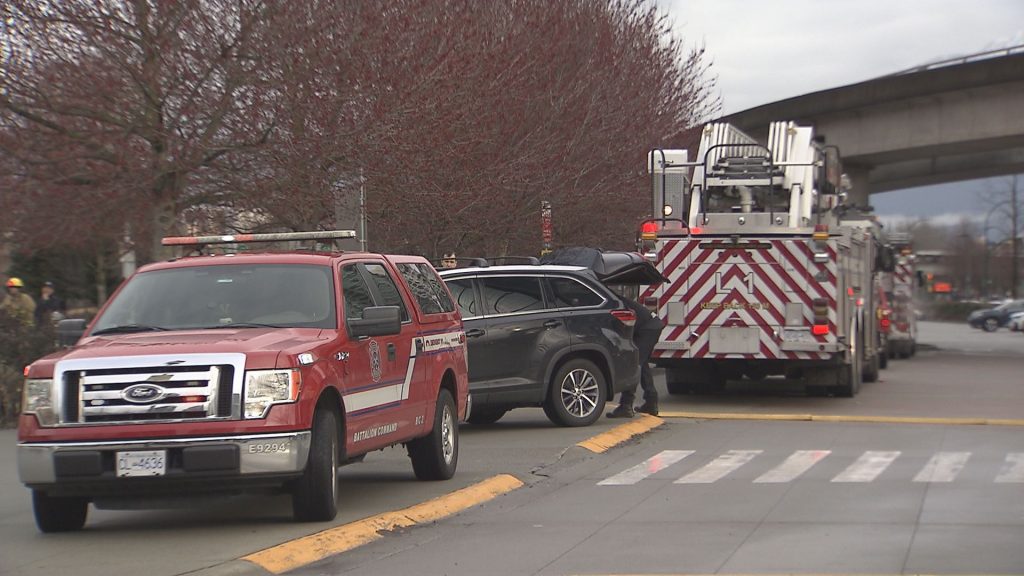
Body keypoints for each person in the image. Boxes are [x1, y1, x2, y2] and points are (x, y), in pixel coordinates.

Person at [607, 295, 664, 418]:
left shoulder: (611, 301)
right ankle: (650, 402)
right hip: (650, 326)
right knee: (642, 364)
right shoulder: (612, 298)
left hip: (648, 328)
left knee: (635, 363)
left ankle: (626, 405)